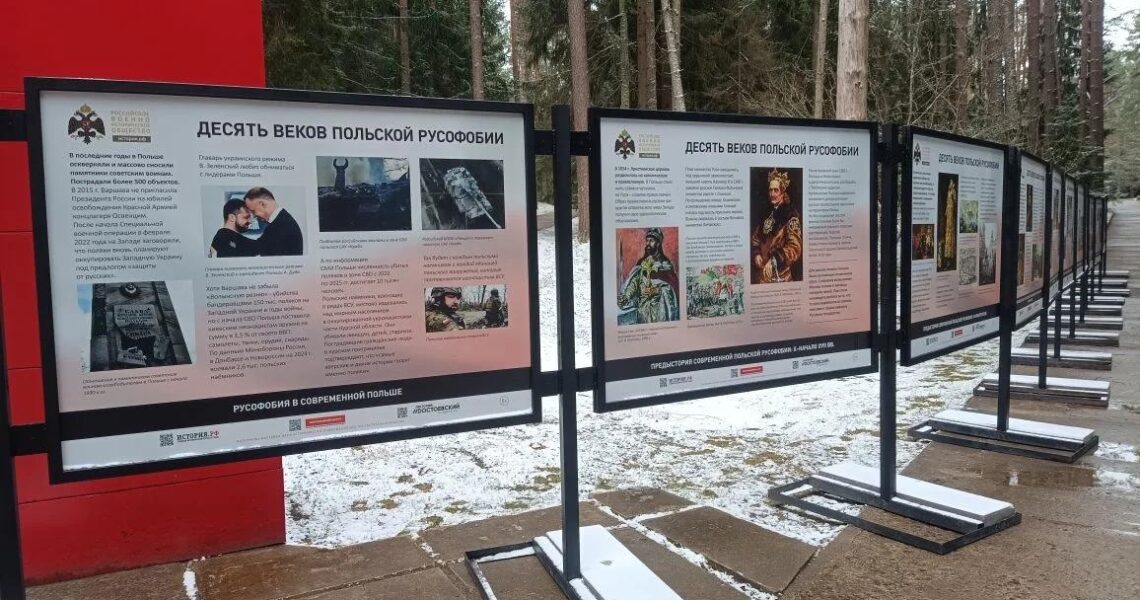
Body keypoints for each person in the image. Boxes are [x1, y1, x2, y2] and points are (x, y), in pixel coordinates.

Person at [617, 228, 680, 324]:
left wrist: (656, 290)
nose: (648, 243)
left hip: (660, 313)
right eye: (647, 240)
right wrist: (626, 296)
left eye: (651, 241)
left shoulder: (665, 265)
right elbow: (635, 282)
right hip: (643, 313)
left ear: (658, 243)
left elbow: (673, 289)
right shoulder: (642, 263)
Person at [751, 168, 802, 283]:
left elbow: (795, 248)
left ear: (782, 193)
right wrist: (756, 254)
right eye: (770, 190)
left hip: (781, 278)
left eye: (776, 190)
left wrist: (774, 259)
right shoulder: (767, 213)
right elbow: (756, 238)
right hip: (763, 275)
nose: (772, 194)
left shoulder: (791, 217)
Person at [244, 187, 303, 256]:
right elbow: (258, 245)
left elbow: (260, 247)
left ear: (262, 204)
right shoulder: (281, 220)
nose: (253, 216)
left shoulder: (281, 225)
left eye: (253, 211)